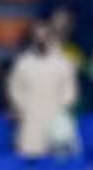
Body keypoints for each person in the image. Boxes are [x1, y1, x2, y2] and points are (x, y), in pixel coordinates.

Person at [7, 21, 78, 158]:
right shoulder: (23, 63)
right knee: (29, 155)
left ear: (51, 38)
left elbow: (69, 90)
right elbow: (15, 88)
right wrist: (22, 106)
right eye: (37, 37)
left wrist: (61, 109)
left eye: (44, 36)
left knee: (57, 157)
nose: (41, 40)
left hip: (56, 119)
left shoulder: (63, 63)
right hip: (29, 118)